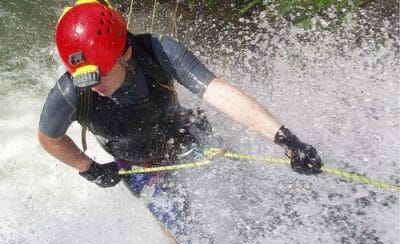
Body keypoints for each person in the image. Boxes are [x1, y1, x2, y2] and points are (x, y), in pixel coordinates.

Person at [38, 0, 323, 192]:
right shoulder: (71, 92)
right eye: (85, 77)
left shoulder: (159, 52)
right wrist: (88, 168)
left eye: (102, 73)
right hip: (137, 165)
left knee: (241, 181)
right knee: (186, 228)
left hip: (183, 132)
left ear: (126, 53)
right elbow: (49, 138)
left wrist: (285, 137)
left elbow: (219, 93)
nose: (94, 85)